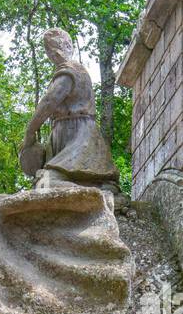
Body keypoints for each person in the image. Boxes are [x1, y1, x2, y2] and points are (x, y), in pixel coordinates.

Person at [19, 28, 120, 195]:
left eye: (55, 47)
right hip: (69, 137)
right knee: (43, 183)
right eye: (49, 49)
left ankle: (95, 194)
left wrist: (30, 131)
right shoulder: (71, 70)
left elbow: (49, 101)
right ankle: (96, 190)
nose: (53, 53)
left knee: (44, 186)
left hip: (80, 138)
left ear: (68, 46)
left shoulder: (70, 70)